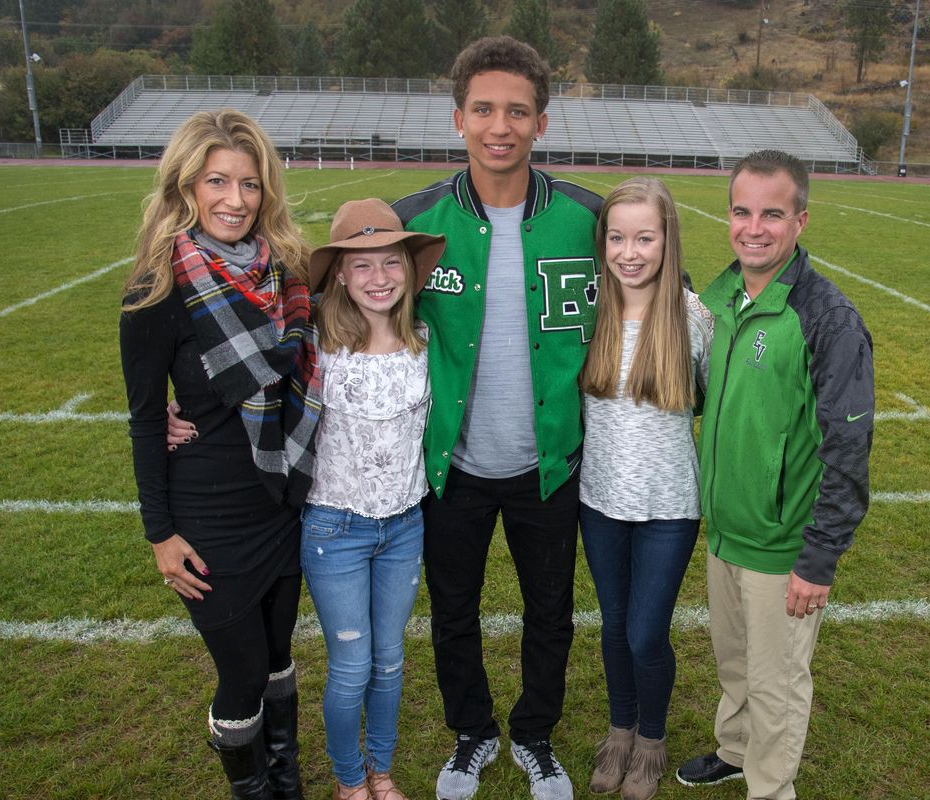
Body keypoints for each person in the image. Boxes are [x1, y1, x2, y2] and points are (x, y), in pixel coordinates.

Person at [391, 36, 601, 800]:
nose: (500, 125)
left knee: (552, 612)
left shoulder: (589, 218)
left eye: (517, 110)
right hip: (453, 466)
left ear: (542, 124)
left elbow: (661, 317)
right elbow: (340, 322)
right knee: (454, 612)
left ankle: (536, 735)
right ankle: (473, 733)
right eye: (484, 109)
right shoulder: (413, 221)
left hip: (549, 463)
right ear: (458, 118)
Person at [120, 109, 322, 800]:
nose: (236, 200)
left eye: (250, 184)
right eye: (217, 182)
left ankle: (285, 777)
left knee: (275, 656)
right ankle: (254, 790)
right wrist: (160, 535)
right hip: (209, 519)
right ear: (187, 186)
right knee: (239, 674)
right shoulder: (157, 290)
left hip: (282, 502)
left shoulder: (288, 274)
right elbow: (148, 421)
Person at [675, 150, 874, 800]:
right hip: (725, 528)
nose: (753, 227)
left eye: (772, 214)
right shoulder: (721, 295)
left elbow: (848, 451)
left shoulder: (827, 319)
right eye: (741, 211)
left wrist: (817, 560)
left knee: (776, 679)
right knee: (736, 665)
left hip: (782, 543)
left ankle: (770, 787)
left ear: (800, 220)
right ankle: (735, 751)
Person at [299, 199, 445, 800]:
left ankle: (380, 772)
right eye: (362, 266)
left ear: (409, 270)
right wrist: (180, 415)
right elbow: (245, 392)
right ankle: (349, 779)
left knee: (390, 663)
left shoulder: (427, 339)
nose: (379, 278)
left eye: (390, 263)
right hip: (335, 527)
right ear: (339, 274)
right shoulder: (314, 344)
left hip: (404, 527)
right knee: (353, 666)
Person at [576, 177, 712, 800]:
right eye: (617, 237)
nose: (630, 252)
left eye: (645, 238)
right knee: (612, 625)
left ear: (668, 241)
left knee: (645, 632)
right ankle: (620, 730)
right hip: (599, 501)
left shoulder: (692, 318)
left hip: (668, 506)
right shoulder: (589, 309)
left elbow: (708, 397)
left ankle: (651, 741)